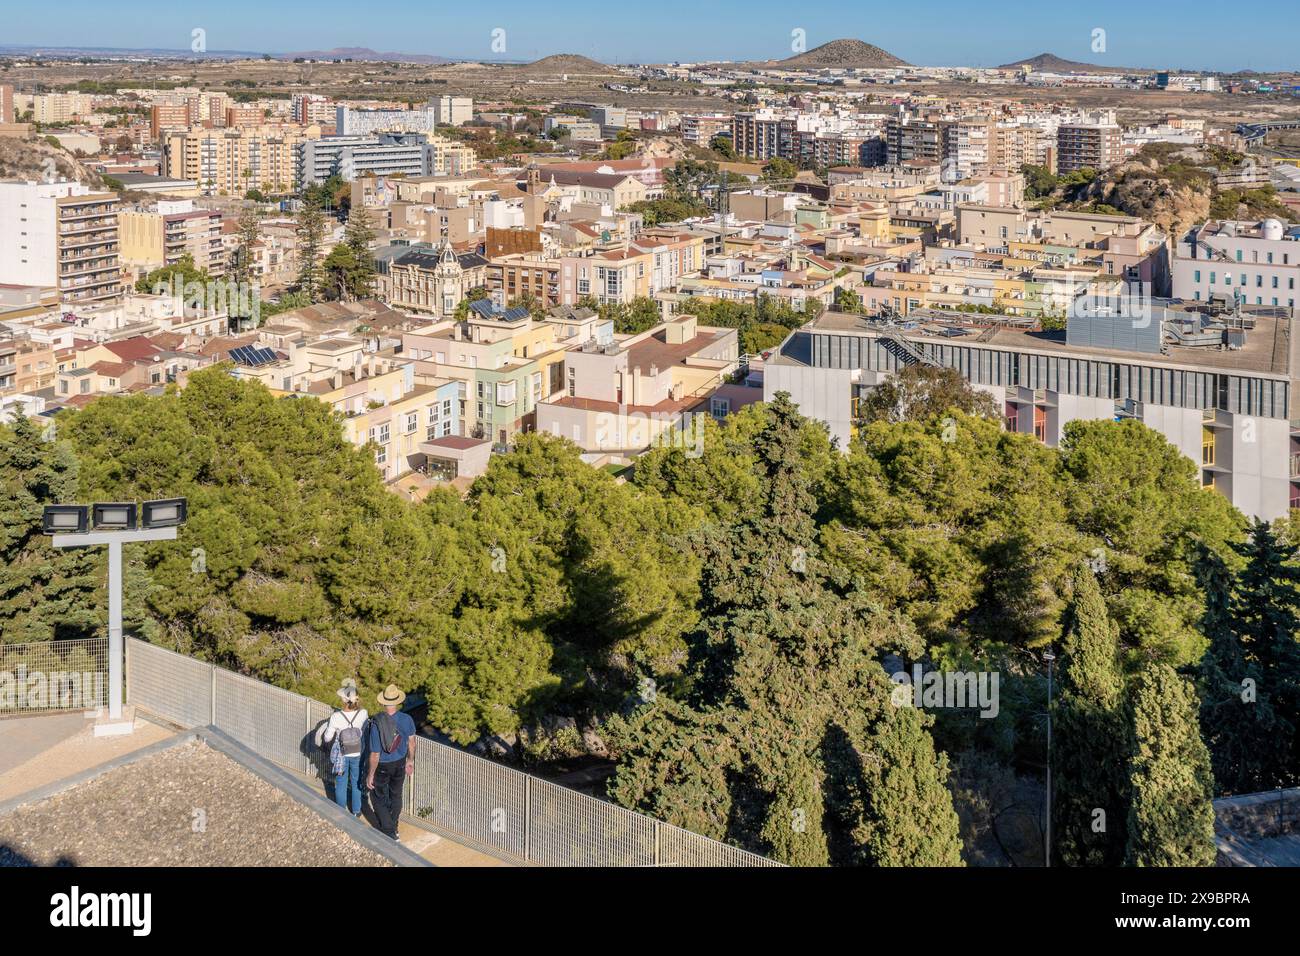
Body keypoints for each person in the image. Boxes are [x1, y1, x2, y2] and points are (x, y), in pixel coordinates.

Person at [366, 684, 417, 841]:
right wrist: (410, 761)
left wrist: (370, 774)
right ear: (398, 701)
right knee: (396, 795)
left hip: (382, 765)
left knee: (377, 796)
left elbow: (375, 754)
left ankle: (389, 832)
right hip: (400, 763)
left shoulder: (377, 723)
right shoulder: (407, 719)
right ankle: (394, 827)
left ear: (383, 702)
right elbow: (412, 743)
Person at [315, 679, 369, 817]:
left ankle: (341, 810)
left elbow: (327, 737)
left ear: (344, 700)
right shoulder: (363, 713)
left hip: (342, 753)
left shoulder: (336, 717)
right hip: (357, 751)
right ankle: (356, 811)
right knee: (356, 781)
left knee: (341, 783)